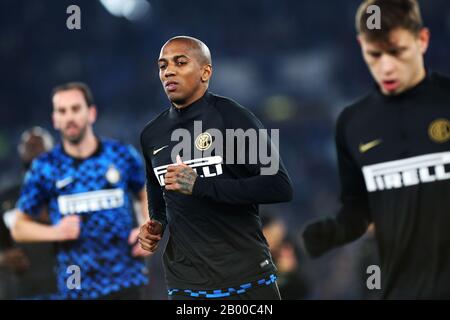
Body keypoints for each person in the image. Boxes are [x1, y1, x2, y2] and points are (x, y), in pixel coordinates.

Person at [302, 0, 450, 299]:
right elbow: (359, 207)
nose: (386, 66)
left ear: (422, 40)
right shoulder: (353, 123)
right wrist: (337, 230)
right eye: (374, 54)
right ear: (361, 46)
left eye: (396, 51)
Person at [138, 36, 293, 300]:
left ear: (205, 72)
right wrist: (156, 224)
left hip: (246, 280)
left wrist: (200, 185)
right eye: (163, 66)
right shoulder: (152, 135)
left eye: (180, 62)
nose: (169, 71)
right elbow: (157, 192)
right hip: (186, 285)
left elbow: (279, 185)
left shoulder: (233, 118)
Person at [12, 82, 150, 299]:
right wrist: (56, 232)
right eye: (62, 111)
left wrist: (148, 227)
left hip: (124, 273)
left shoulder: (121, 155)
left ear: (91, 113)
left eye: (75, 109)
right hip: (74, 279)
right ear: (55, 119)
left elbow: (145, 193)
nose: (69, 117)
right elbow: (19, 227)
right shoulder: (45, 167)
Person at [0, 126, 57, 300]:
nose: (34, 149)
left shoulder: (69, 192)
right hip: (20, 287)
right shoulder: (5, 198)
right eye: (29, 145)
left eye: (40, 144)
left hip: (65, 283)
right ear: (20, 151)